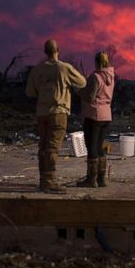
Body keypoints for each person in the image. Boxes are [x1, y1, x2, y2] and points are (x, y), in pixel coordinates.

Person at [25, 39, 86, 193]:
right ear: (58, 50)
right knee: (53, 147)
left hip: (42, 112)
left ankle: (43, 179)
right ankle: (50, 181)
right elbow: (82, 82)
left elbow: (30, 92)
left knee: (43, 146)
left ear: (45, 52)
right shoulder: (64, 68)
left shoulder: (37, 70)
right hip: (58, 111)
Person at [78, 51, 115, 188]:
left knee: (91, 147)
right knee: (100, 147)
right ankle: (101, 179)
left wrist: (79, 90)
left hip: (94, 115)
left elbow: (90, 96)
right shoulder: (111, 77)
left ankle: (91, 179)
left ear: (97, 62)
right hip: (107, 115)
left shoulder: (95, 77)